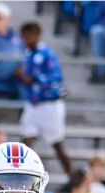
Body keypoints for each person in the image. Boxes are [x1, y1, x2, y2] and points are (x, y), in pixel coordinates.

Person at [18, 22, 71, 177]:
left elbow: (57, 78)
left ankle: (72, 177)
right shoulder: (28, 55)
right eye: (24, 37)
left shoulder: (47, 54)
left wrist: (35, 79)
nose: (27, 40)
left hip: (49, 104)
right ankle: (18, 175)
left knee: (57, 144)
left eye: (30, 36)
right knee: (26, 140)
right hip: (33, 103)